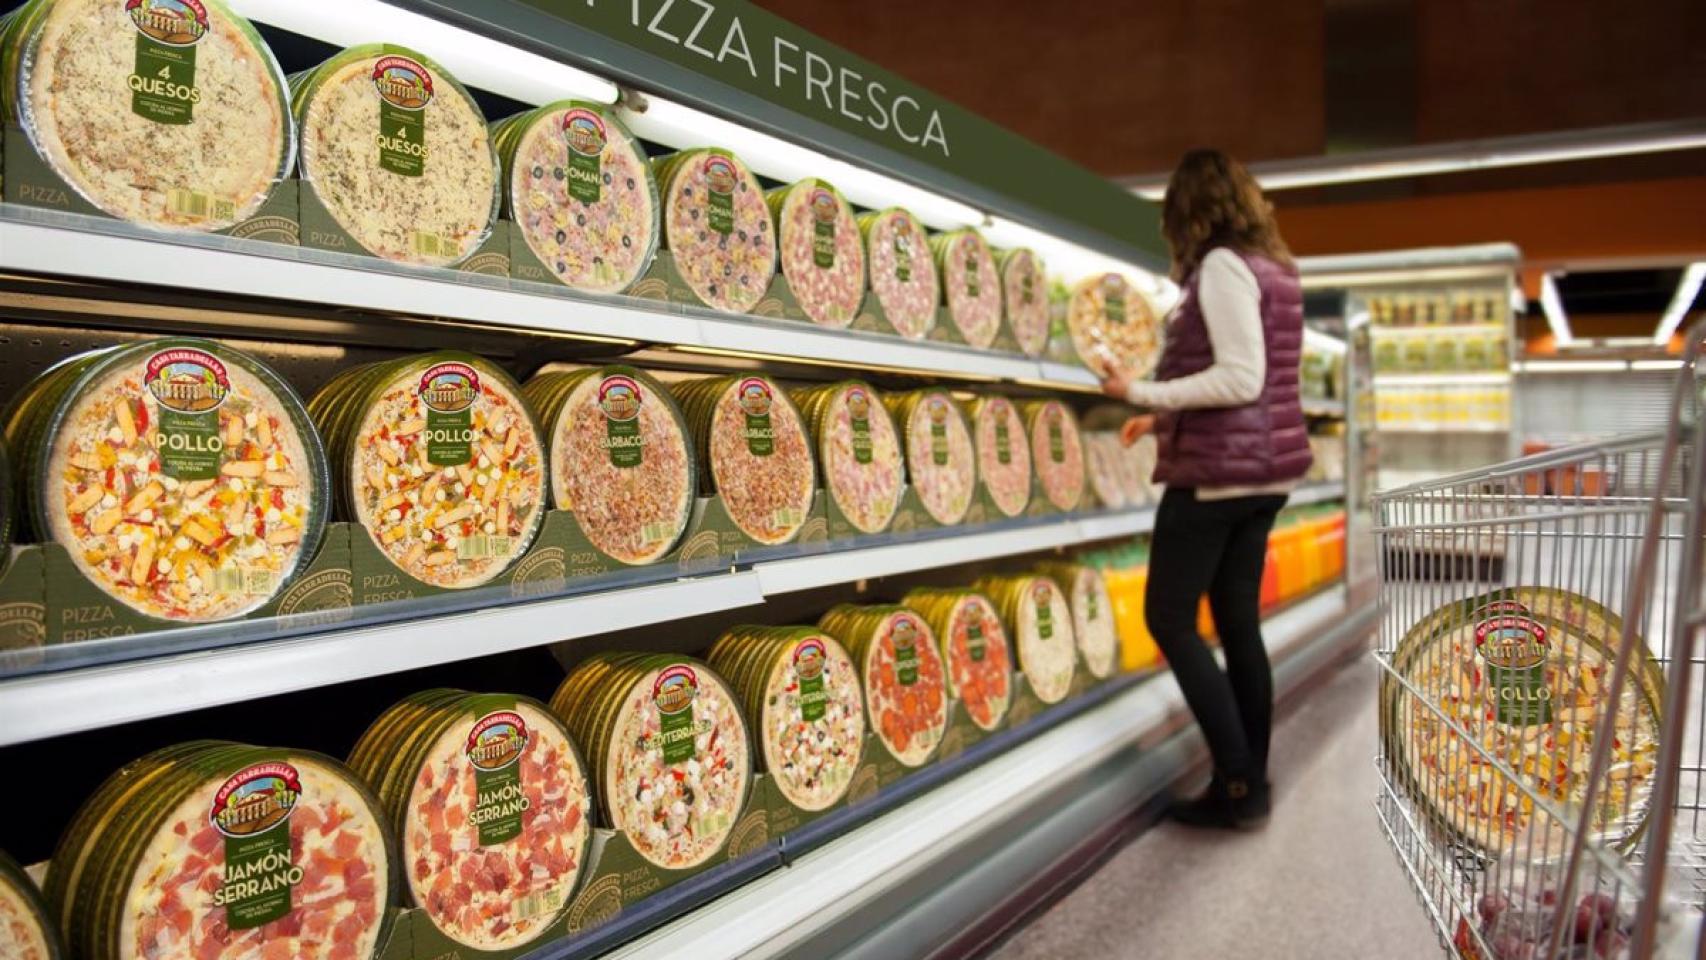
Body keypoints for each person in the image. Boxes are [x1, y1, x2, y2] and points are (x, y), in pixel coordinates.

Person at [1100, 149, 1313, 829]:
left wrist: (1139, 388)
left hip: (1218, 477)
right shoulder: (1275, 269)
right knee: (1236, 622)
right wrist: (1159, 414)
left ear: (1190, 210)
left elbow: (1240, 378)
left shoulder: (1221, 266)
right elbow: (1253, 384)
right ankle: (1248, 783)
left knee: (1168, 617)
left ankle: (1238, 777)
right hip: (1264, 473)